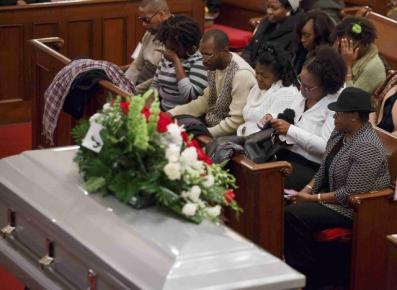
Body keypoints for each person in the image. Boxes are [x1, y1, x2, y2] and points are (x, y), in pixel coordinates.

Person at [284, 87, 390, 290]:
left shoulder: (367, 146)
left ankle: (309, 279)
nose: (334, 116)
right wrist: (306, 190)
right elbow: (324, 167)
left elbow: (350, 194)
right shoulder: (339, 132)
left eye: (339, 113)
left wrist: (312, 199)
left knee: (293, 216)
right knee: (286, 191)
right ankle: (296, 267)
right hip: (332, 191)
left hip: (355, 208)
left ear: (353, 117)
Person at [271, 46, 346, 190]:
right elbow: (290, 120)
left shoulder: (336, 104)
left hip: (310, 166)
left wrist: (290, 130)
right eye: (300, 81)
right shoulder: (304, 93)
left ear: (326, 86)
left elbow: (326, 147)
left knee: (269, 185)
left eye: (308, 87)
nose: (301, 89)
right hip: (282, 154)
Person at [168, 29, 256, 137]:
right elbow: (204, 102)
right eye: (202, 54)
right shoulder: (214, 66)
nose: (204, 60)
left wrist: (205, 134)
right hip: (210, 127)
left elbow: (236, 121)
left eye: (208, 54)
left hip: (231, 137)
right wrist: (170, 114)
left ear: (225, 50)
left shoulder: (241, 75)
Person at [237, 45, 299, 137]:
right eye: (257, 72)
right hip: (241, 136)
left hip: (258, 145)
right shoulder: (258, 87)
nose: (258, 78)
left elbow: (269, 131)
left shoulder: (287, 93)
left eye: (264, 76)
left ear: (278, 75)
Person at [151, 15, 208, 111]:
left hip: (186, 115)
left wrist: (176, 62)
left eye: (171, 45)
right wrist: (148, 109)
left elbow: (190, 95)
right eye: (165, 43)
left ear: (184, 43)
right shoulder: (168, 55)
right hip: (162, 109)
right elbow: (155, 84)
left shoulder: (200, 61)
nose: (166, 47)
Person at [124, 0, 171, 94]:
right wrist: (123, 86)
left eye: (147, 20)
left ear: (161, 14)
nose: (144, 24)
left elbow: (160, 79)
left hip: (158, 90)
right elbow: (136, 66)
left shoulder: (177, 36)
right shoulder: (149, 33)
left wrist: (132, 92)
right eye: (141, 19)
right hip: (140, 84)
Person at [332, 16, 386, 95]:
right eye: (341, 45)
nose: (344, 50)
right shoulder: (340, 53)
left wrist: (347, 66)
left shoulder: (373, 67)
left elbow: (350, 99)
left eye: (349, 45)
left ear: (365, 43)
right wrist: (332, 59)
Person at [242, 0, 303, 67]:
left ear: (289, 9)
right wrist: (245, 63)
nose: (269, 12)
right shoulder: (265, 20)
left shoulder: (297, 30)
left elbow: (280, 62)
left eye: (274, 8)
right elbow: (250, 47)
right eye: (268, 6)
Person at [293, 10, 335, 75]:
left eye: (307, 36)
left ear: (319, 35)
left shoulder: (325, 62)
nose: (302, 40)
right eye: (301, 35)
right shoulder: (301, 51)